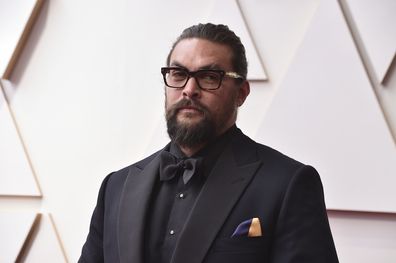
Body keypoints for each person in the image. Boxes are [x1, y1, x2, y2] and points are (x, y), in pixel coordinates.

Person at [79, 23, 338, 263]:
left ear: (241, 93)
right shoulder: (116, 186)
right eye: (178, 73)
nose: (189, 89)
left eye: (209, 76)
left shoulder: (288, 184)